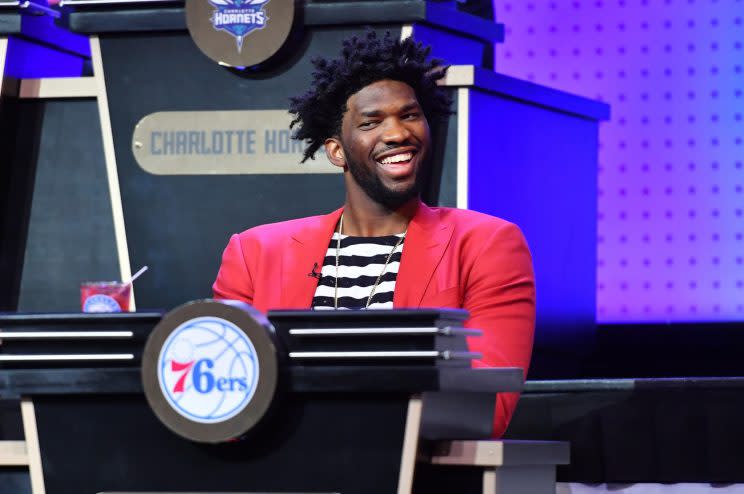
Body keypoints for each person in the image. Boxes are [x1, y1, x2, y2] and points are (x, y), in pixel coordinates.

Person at [213, 31, 535, 437]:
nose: (398, 133)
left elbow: (487, 410)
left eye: (410, 115)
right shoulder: (255, 253)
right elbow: (225, 399)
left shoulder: (486, 245)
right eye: (372, 121)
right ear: (337, 151)